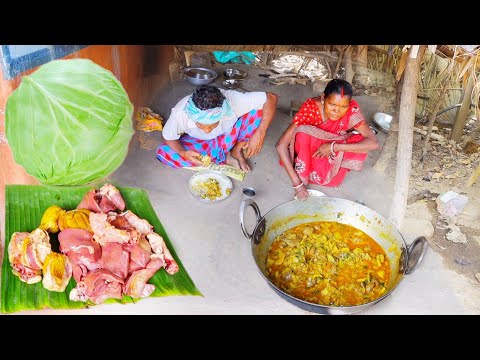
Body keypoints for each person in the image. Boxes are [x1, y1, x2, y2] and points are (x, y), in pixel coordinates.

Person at [276, 79, 379, 199]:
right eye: (332, 104)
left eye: (343, 106)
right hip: (310, 151)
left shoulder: (351, 112)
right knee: (302, 133)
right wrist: (297, 185)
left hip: (330, 149)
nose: (336, 111)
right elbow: (281, 145)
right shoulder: (311, 110)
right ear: (323, 97)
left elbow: (373, 143)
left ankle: (330, 172)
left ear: (349, 104)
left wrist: (334, 147)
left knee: (359, 140)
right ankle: (304, 173)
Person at [156, 85, 278, 172]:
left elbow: (271, 98)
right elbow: (168, 137)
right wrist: (183, 153)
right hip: (198, 141)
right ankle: (222, 156)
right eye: (200, 125)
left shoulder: (234, 100)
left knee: (258, 113)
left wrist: (260, 133)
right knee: (164, 152)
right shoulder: (181, 112)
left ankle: (235, 150)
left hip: (228, 137)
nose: (207, 130)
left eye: (212, 124)